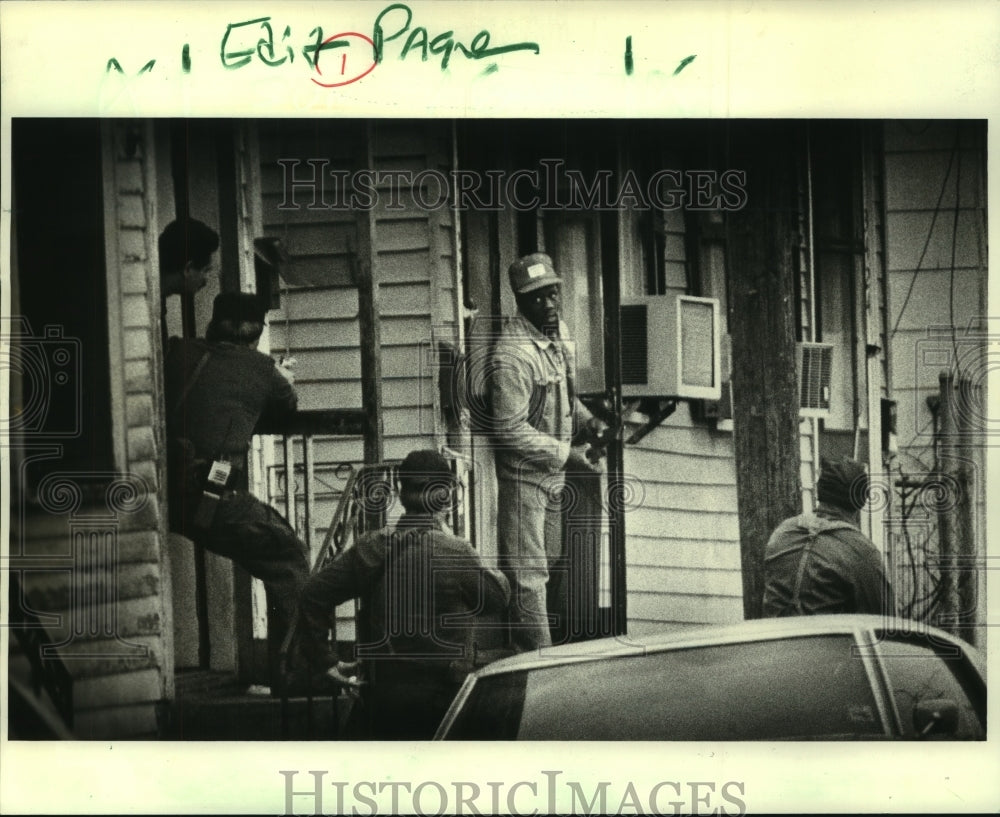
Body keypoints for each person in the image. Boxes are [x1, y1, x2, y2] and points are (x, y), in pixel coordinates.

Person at [295, 449, 511, 739]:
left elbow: (312, 594)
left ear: (399, 490)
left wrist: (324, 660)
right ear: (446, 496)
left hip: (384, 701)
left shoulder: (372, 546)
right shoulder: (458, 552)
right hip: (445, 705)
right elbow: (498, 597)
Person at [164, 291, 308, 689]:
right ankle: (296, 671)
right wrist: (279, 375)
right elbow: (286, 405)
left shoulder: (179, 352)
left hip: (162, 489)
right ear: (258, 332)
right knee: (288, 553)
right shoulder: (262, 370)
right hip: (208, 491)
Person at [490, 252, 606, 652]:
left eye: (552, 293)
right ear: (520, 303)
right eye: (536, 298)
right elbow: (509, 429)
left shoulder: (558, 336)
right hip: (524, 478)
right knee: (528, 574)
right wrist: (567, 454)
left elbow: (565, 400)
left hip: (552, 475)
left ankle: (544, 651)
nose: (549, 303)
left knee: (551, 561)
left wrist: (589, 422)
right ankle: (535, 662)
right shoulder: (512, 355)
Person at [762, 457, 895, 617]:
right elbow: (884, 620)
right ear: (862, 499)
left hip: (774, 639)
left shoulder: (783, 532)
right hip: (825, 640)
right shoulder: (861, 551)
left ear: (820, 491)